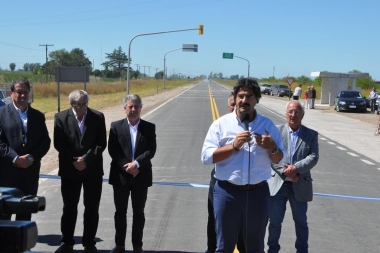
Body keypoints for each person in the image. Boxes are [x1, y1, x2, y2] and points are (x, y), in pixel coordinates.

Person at [201, 78, 285, 253]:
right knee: (224, 247)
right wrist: (233, 146)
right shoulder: (221, 124)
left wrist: (272, 147)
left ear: (256, 99)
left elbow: (280, 160)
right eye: (240, 96)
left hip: (257, 194)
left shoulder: (267, 125)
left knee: (254, 247)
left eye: (249, 96)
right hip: (227, 193)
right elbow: (206, 157)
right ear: (235, 98)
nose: (244, 101)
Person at [54, 90, 107, 253]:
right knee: (69, 207)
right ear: (71, 104)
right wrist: (74, 161)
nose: (81, 107)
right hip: (70, 170)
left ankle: (89, 242)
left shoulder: (98, 117)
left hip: (92, 170)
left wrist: (86, 159)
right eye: (78, 104)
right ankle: (67, 241)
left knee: (92, 207)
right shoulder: (61, 117)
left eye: (84, 104)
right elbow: (59, 143)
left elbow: (101, 143)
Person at [267, 100, 319, 253]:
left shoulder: (311, 135)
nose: (293, 115)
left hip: (300, 184)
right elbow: (270, 155)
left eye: (297, 112)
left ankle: (302, 250)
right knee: (275, 222)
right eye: (290, 111)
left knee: (301, 222)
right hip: (278, 185)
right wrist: (285, 171)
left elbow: (314, 156)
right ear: (286, 114)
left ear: (302, 115)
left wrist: (296, 169)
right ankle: (272, 249)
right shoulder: (276, 131)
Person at [108, 94, 157, 253]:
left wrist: (136, 164)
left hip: (141, 176)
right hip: (121, 177)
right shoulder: (116, 126)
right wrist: (126, 166)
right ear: (125, 109)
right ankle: (120, 245)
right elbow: (113, 150)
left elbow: (151, 150)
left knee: (139, 213)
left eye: (136, 106)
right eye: (130, 106)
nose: (134, 109)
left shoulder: (149, 127)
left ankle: (137, 245)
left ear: (141, 108)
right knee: (120, 212)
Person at [0, 78, 51, 221]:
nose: (22, 95)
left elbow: (45, 141)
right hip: (7, 173)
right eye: (19, 92)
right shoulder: (1, 114)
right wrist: (15, 159)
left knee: (25, 213)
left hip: (30, 172)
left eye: (25, 92)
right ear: (11, 93)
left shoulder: (38, 116)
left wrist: (31, 157)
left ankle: (22, 242)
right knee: (4, 214)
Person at [206, 92, 245, 253]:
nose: (236, 108)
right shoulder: (221, 125)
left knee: (244, 223)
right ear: (229, 106)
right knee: (215, 217)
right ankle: (212, 248)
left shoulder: (250, 125)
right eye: (232, 105)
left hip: (244, 183)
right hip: (220, 180)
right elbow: (208, 155)